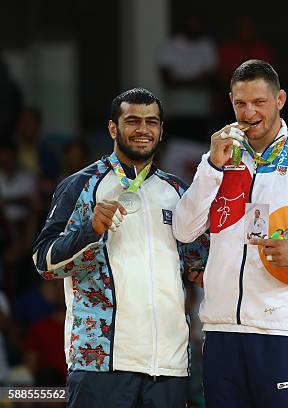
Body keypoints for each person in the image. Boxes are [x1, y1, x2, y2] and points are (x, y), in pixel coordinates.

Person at [172, 59, 288, 408]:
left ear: (280, 100)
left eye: (259, 102)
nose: (249, 112)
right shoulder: (219, 157)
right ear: (230, 100)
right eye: (241, 103)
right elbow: (184, 230)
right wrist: (213, 168)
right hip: (221, 329)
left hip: (282, 331)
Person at [32, 88, 208, 407]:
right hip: (101, 364)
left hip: (169, 365)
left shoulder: (178, 191)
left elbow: (199, 268)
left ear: (161, 130)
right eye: (132, 121)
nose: (143, 129)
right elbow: (44, 261)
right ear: (113, 128)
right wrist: (91, 229)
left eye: (151, 121)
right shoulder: (82, 185)